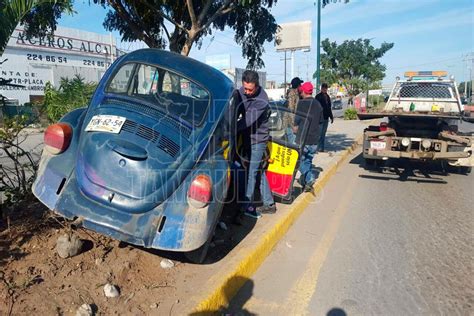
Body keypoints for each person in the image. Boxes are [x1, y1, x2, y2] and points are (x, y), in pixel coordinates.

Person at [236, 70, 276, 219]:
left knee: (252, 172)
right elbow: (236, 107)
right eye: (244, 88)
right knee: (257, 170)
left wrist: (228, 128)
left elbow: (246, 121)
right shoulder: (242, 91)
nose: (246, 92)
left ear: (257, 86)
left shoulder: (262, 100)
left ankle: (246, 207)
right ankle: (269, 203)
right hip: (247, 137)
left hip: (258, 140)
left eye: (249, 89)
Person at [294, 82, 323, 192]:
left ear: (304, 91)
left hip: (303, 138)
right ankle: (307, 183)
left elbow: (296, 121)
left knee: (299, 161)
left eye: (301, 91)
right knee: (308, 160)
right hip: (314, 139)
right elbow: (321, 121)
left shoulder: (301, 104)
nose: (300, 92)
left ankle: (309, 178)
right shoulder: (318, 104)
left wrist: (295, 128)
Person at [284, 77, 303, 143]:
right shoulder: (292, 94)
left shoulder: (296, 94)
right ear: (298, 85)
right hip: (291, 125)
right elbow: (291, 110)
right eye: (300, 84)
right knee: (293, 145)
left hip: (292, 124)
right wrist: (294, 125)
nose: (301, 86)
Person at [315, 83, 334, 152]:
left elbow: (329, 108)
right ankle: (316, 148)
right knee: (319, 134)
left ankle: (321, 148)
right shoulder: (318, 97)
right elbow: (316, 108)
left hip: (326, 118)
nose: (325, 89)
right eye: (323, 88)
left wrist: (331, 117)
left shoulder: (328, 97)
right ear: (321, 88)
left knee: (323, 134)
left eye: (326, 88)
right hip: (320, 118)